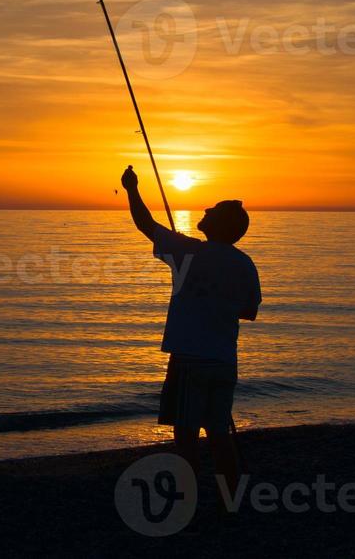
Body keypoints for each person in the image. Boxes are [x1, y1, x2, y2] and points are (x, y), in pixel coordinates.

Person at [121, 165, 260, 508]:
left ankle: (187, 505)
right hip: (223, 361)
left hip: (188, 361)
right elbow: (249, 311)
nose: (205, 210)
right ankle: (231, 502)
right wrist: (217, 303)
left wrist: (132, 188)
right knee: (218, 435)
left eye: (211, 211)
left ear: (219, 224)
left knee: (185, 438)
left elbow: (145, 225)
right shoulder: (245, 263)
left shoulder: (188, 252)